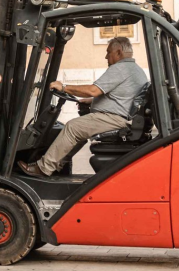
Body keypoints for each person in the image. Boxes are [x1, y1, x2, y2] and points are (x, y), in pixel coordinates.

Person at [17, 37, 148, 178]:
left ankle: (43, 168)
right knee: (79, 131)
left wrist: (64, 87)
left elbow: (93, 90)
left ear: (118, 52)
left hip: (116, 119)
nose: (106, 56)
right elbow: (122, 95)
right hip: (120, 117)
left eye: (108, 52)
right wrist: (92, 101)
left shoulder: (120, 68)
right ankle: (58, 165)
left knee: (73, 127)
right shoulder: (135, 70)